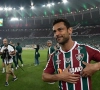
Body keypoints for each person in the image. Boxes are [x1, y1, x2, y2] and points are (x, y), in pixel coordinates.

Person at [42, 19, 100, 90]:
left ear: (70, 30)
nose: (56, 34)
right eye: (55, 31)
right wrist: (59, 76)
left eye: (60, 30)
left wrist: (96, 66)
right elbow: (44, 76)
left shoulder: (86, 49)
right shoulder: (54, 56)